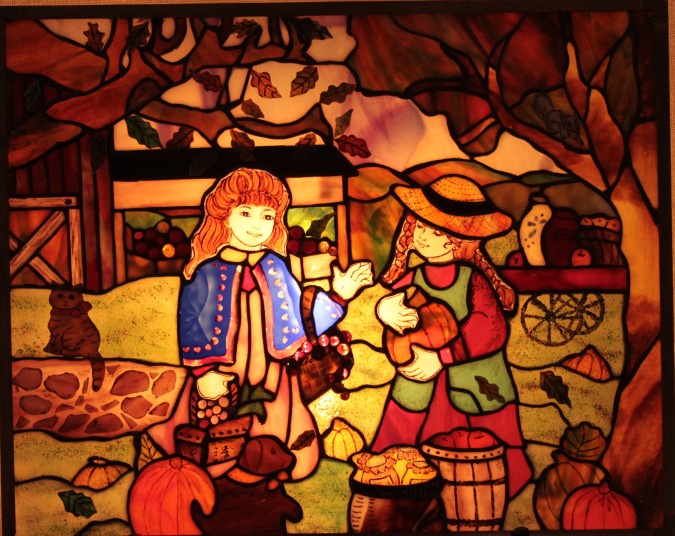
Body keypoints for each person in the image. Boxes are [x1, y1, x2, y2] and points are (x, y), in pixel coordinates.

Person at [149, 167, 372, 482]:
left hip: (272, 373)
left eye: (267, 216)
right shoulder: (207, 272)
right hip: (221, 371)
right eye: (245, 213)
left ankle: (266, 476)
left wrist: (339, 296)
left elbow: (301, 319)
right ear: (225, 217)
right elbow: (190, 321)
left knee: (275, 429)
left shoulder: (276, 268)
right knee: (211, 438)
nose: (257, 225)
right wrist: (202, 372)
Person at [372, 174, 532, 498]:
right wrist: (384, 310)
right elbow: (392, 313)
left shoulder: (473, 279)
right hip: (419, 381)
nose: (425, 237)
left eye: (437, 231)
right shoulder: (413, 277)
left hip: (474, 384)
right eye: (421, 226)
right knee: (402, 448)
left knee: (485, 464)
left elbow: (491, 328)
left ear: (458, 239)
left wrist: (443, 357)